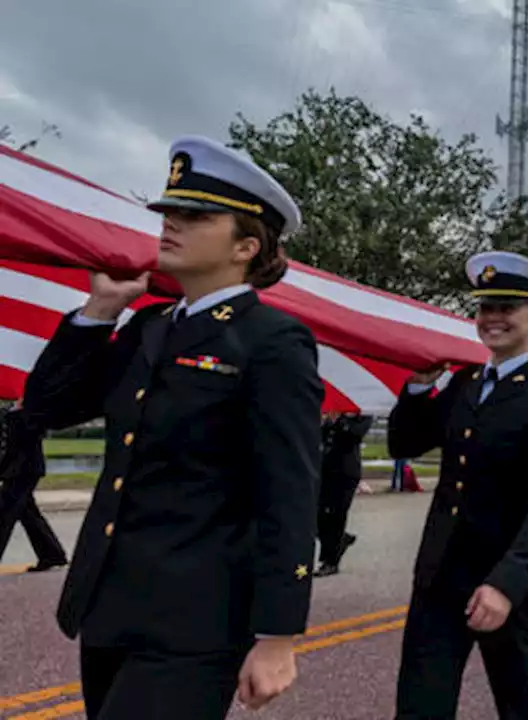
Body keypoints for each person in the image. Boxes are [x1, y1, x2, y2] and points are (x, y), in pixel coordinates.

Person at [20, 136, 324, 719]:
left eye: (196, 216)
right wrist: (98, 313)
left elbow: (289, 493)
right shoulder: (148, 327)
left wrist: (279, 634)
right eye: (169, 213)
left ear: (246, 246)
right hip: (110, 607)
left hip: (196, 620)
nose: (171, 225)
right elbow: (44, 408)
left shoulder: (272, 343)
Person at [388, 250, 528, 719]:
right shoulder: (464, 383)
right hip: (443, 574)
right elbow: (404, 443)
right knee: (420, 704)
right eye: (485, 308)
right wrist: (416, 388)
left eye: (507, 309)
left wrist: (505, 584)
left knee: (521, 703)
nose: (492, 319)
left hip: (509, 582)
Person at [0, 403, 69, 572]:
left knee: (4, 513)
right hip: (16, 470)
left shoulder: (32, 413)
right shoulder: (10, 412)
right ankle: (52, 554)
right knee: (29, 514)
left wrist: (15, 415)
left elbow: (23, 441)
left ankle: (52, 555)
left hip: (25, 470)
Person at [316, 412, 374, 577]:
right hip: (325, 470)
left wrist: (340, 420)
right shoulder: (333, 415)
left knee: (336, 516)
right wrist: (325, 422)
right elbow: (322, 437)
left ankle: (330, 562)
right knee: (316, 516)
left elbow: (355, 435)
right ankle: (341, 539)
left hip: (346, 472)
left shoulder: (362, 415)